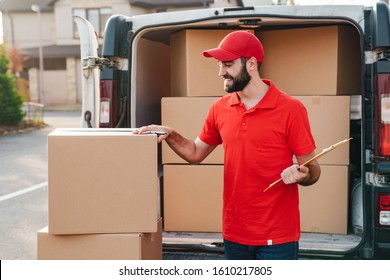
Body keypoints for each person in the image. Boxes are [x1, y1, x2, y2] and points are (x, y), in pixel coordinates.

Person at [135, 30, 321, 260]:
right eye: (220, 65)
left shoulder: (291, 110)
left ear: (251, 64)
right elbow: (194, 153)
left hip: (277, 235)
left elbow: (313, 170)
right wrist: (171, 134)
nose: (221, 72)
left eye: (228, 64)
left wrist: (303, 174)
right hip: (235, 233)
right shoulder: (219, 108)